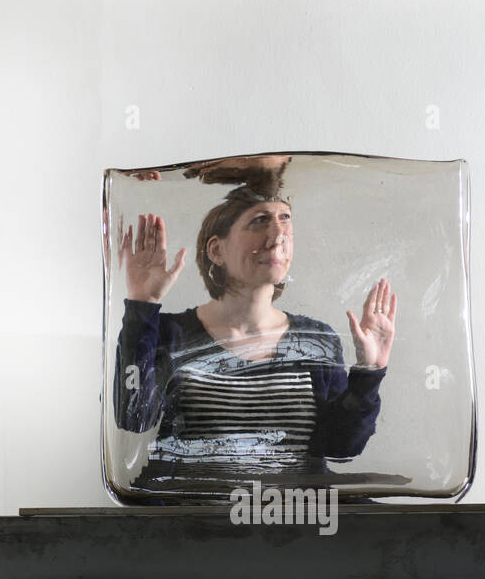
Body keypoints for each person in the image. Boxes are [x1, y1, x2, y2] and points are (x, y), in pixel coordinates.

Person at [112, 188, 397, 477]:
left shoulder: (316, 339)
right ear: (216, 250)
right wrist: (142, 307)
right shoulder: (170, 334)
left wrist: (368, 373)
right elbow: (133, 418)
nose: (278, 236)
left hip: (293, 514)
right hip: (199, 515)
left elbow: (340, 446)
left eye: (285, 219)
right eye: (260, 220)